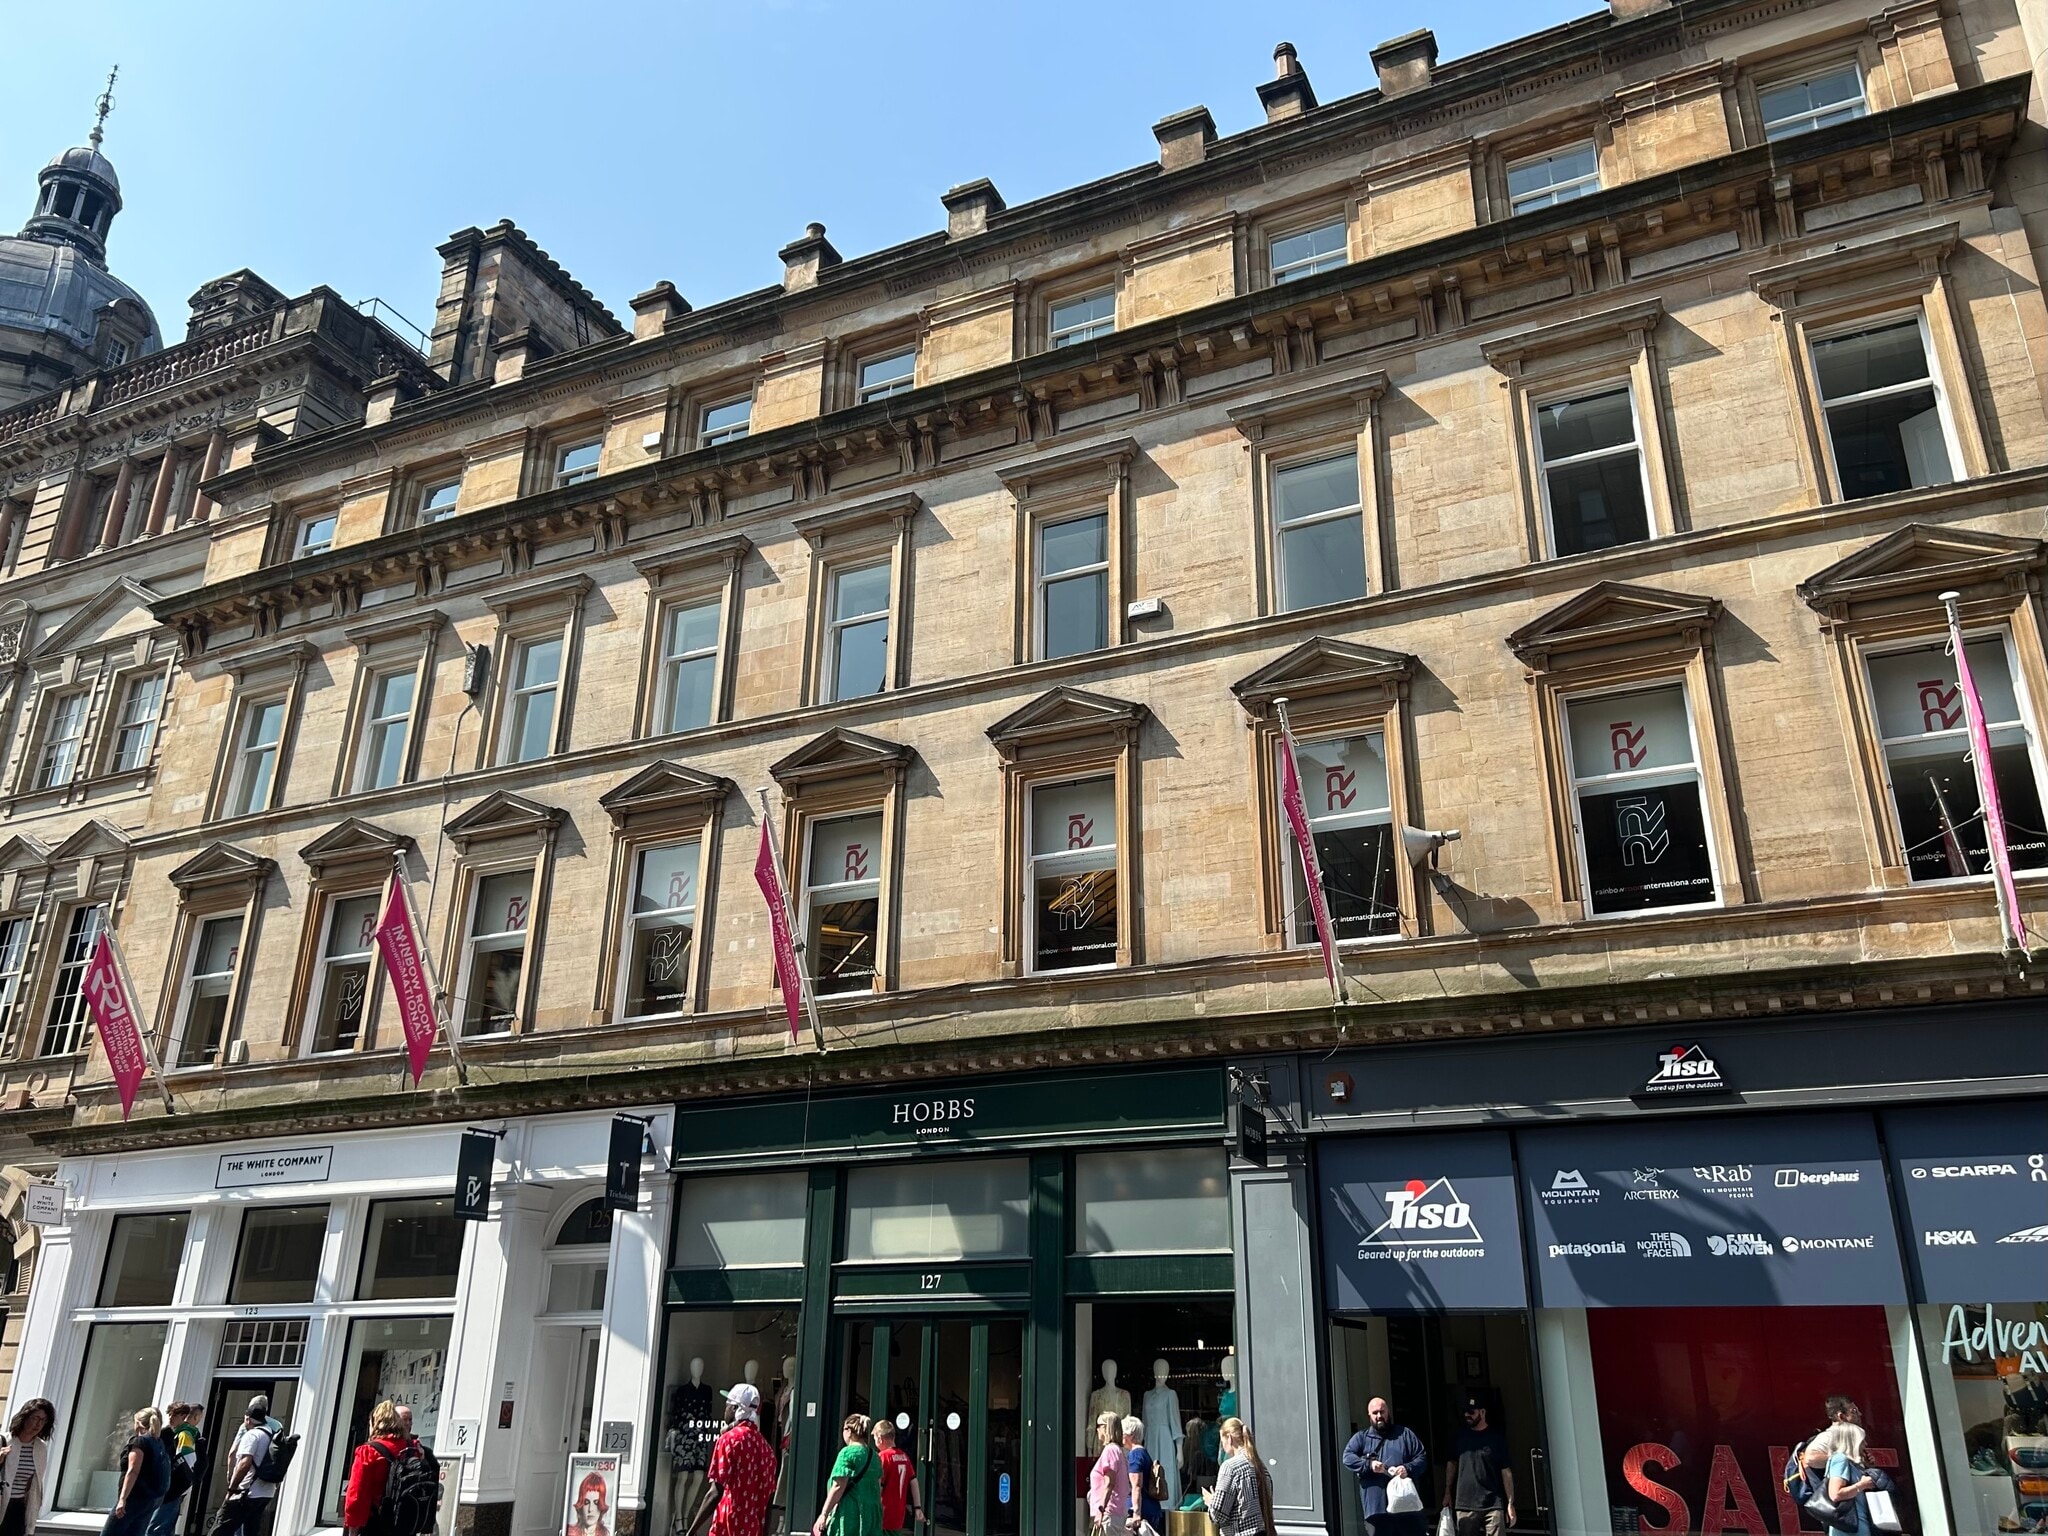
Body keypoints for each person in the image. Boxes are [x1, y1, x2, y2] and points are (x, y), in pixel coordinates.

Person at [684, 1384, 776, 1536]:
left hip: (727, 1527)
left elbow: (715, 1493)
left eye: (727, 1405)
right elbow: (768, 1503)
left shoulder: (728, 1441)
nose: (724, 1409)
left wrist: (691, 1531)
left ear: (734, 1409)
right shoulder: (767, 1449)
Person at [1342, 1398, 1427, 1536]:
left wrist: (1407, 1468)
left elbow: (1422, 1458)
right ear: (1369, 1415)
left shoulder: (1405, 1434)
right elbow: (1347, 1458)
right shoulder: (1361, 1438)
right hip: (1376, 1510)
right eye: (1375, 1413)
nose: (1379, 1416)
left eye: (1382, 1411)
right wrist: (1369, 1465)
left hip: (1405, 1510)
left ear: (1388, 1412)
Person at [1440, 1395, 1514, 1536]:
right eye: (1465, 1412)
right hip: (1465, 1503)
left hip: (1493, 1503)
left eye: (1472, 1412)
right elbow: (1451, 1464)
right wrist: (1447, 1492)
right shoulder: (1459, 1436)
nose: (1467, 1415)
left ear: (1482, 1412)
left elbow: (1506, 1471)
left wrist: (1510, 1503)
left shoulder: (1496, 1438)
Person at [341, 1402, 413, 1536]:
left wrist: (352, 1531)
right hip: (405, 1523)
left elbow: (357, 1495)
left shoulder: (368, 1451)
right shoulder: (412, 1449)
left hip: (375, 1523)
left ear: (375, 1423)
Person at [213, 1398, 281, 1536]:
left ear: (248, 1419)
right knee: (251, 1530)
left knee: (220, 1528)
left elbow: (244, 1463)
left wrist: (232, 1489)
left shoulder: (252, 1435)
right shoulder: (273, 1434)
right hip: (266, 1492)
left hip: (247, 1492)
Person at [811, 1415, 881, 1536]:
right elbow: (878, 1485)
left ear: (848, 1431)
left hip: (850, 1513)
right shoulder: (875, 1456)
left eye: (843, 1429)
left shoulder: (847, 1453)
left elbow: (838, 1486)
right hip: (872, 1514)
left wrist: (824, 1514)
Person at [104, 1407, 170, 1536]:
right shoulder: (158, 1442)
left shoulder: (140, 1442)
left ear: (138, 1423)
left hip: (134, 1498)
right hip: (150, 1500)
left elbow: (133, 1471)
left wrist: (122, 1499)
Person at [1204, 1418, 1272, 1536]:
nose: (1222, 1447)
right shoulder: (1261, 1467)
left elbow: (1219, 1515)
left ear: (1229, 1439)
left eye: (1222, 1441)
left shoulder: (1230, 1467)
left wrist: (1211, 1501)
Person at [1, 1398, 56, 1536]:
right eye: (36, 1418)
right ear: (25, 1417)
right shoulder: (4, 1441)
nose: (38, 1424)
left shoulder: (40, 1448)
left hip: (18, 1509)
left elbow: (35, 1485)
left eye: (43, 1420)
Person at [149, 1403, 199, 1536]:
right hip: (171, 1488)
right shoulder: (172, 1433)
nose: (170, 1417)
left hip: (172, 1489)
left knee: (157, 1527)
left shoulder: (184, 1435)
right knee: (165, 1527)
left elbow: (186, 1463)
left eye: (174, 1415)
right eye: (169, 1414)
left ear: (183, 1416)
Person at [1823, 1422, 1880, 1536]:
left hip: (1859, 1527)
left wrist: (1868, 1467)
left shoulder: (1853, 1463)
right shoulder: (1840, 1459)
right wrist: (1862, 1485)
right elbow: (1836, 1494)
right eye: (1862, 1440)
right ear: (1852, 1442)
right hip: (1848, 1529)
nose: (1865, 1444)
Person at [393, 1407, 441, 1535]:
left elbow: (433, 1476)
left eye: (410, 1420)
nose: (408, 1423)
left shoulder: (421, 1449)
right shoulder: (388, 1446)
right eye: (405, 1420)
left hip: (412, 1508)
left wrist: (423, 1459)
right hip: (392, 1510)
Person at [872, 1420, 922, 1536]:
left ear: (880, 1438)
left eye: (874, 1438)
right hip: (898, 1514)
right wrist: (917, 1507)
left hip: (883, 1514)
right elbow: (913, 1481)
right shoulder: (904, 1457)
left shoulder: (883, 1457)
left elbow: (878, 1485)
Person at [1085, 1411, 1126, 1536]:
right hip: (1114, 1513)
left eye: (1099, 1426)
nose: (1097, 1429)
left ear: (1106, 1427)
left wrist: (1100, 1510)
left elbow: (1109, 1483)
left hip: (1109, 1514)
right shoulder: (1118, 1451)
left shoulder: (1110, 1450)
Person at [1122, 1417, 1164, 1536]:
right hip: (1150, 1507)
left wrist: (1136, 1513)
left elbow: (1136, 1486)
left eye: (1123, 1432)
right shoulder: (1143, 1453)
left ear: (1130, 1435)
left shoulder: (1135, 1455)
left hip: (1142, 1511)